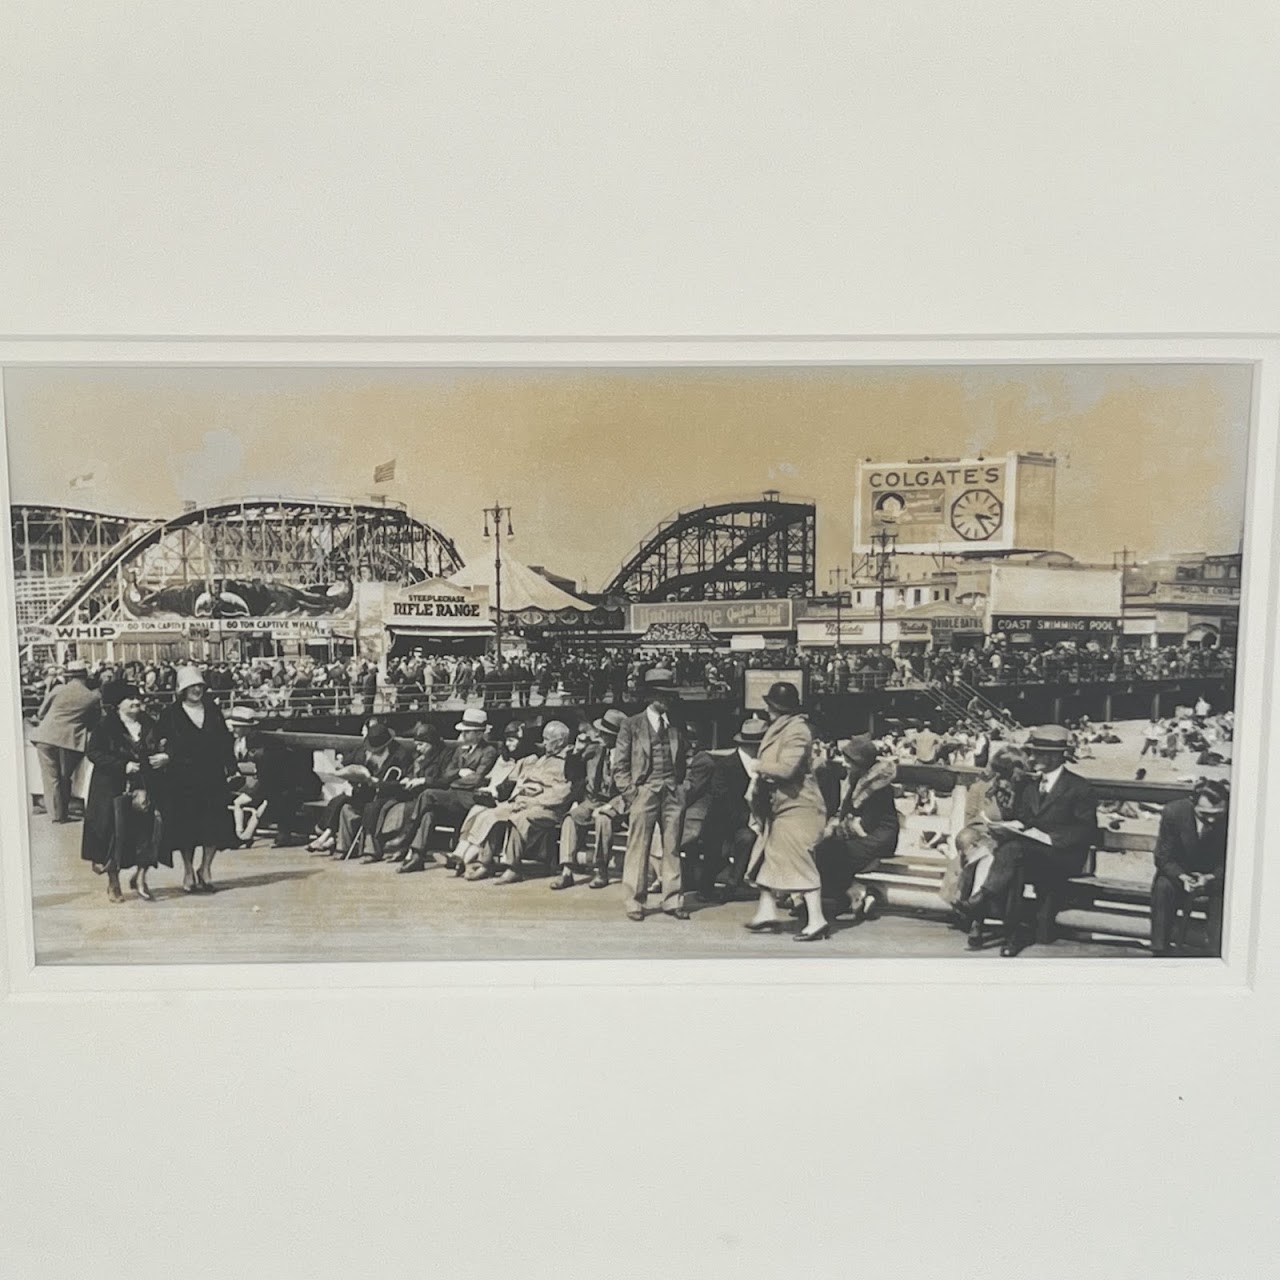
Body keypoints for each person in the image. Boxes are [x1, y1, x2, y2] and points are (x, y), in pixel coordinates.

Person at [953, 724, 1099, 957]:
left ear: (1055, 757)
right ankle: (1012, 934)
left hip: (1063, 856)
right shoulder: (1029, 785)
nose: (1032, 758)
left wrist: (1049, 838)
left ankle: (983, 899)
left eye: (1038, 753)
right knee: (1014, 855)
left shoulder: (1079, 787)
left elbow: (1086, 831)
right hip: (1028, 853)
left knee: (1014, 852)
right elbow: (1023, 818)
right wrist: (1012, 827)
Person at [743, 681, 831, 941]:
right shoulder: (783, 728)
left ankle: (817, 920)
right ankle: (766, 911)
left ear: (778, 707)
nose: (767, 709)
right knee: (768, 857)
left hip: (798, 806)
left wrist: (757, 766)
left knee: (799, 861)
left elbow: (787, 769)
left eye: (770, 705)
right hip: (782, 806)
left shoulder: (797, 731)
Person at [612, 668, 690, 922]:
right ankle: (635, 900)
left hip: (672, 791)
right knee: (638, 847)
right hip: (644, 791)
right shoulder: (631, 724)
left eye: (668, 695)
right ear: (650, 697)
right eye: (661, 696)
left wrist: (683, 785)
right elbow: (620, 766)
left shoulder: (677, 723)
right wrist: (631, 794)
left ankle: (673, 899)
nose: (666, 700)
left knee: (672, 847)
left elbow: (686, 756)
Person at [81, 681, 170, 902]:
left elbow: (168, 745)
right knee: (116, 836)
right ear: (118, 704)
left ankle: (140, 878)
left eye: (138, 697)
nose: (136, 702)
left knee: (148, 833)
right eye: (130, 698)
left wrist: (166, 757)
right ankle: (113, 883)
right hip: (112, 788)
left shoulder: (151, 723)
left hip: (146, 786)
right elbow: (93, 752)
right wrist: (122, 766)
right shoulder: (105, 726)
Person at [157, 665, 237, 893]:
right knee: (187, 828)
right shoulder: (170, 713)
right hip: (182, 779)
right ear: (182, 689)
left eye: (199, 686)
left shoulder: (212, 710)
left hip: (211, 776)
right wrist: (166, 756)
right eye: (191, 686)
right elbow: (159, 740)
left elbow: (224, 740)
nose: (196, 690)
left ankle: (206, 868)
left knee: (213, 825)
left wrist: (231, 767)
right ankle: (188, 870)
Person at [811, 736, 899, 925]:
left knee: (832, 852)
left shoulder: (879, 787)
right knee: (825, 849)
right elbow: (846, 814)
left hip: (879, 836)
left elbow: (867, 823)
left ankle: (854, 893)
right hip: (861, 833)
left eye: (848, 760)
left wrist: (836, 831)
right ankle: (852, 894)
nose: (844, 764)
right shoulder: (856, 779)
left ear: (861, 763)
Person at [679, 716, 762, 903]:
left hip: (743, 822)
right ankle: (706, 887)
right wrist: (747, 818)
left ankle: (734, 884)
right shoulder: (726, 766)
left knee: (748, 838)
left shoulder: (759, 766)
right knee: (717, 853)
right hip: (720, 822)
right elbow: (722, 799)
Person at [402, 708, 500, 861]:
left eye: (467, 732)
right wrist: (460, 772)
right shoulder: (459, 750)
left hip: (469, 798)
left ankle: (406, 836)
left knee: (428, 794)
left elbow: (477, 779)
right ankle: (416, 855)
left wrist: (455, 780)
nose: (463, 735)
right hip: (453, 796)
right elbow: (447, 774)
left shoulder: (489, 751)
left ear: (479, 734)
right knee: (429, 814)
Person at [488, 721, 577, 884]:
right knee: (494, 813)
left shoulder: (569, 761)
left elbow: (562, 794)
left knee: (519, 818)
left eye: (547, 739)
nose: (543, 743)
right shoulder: (542, 759)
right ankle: (485, 862)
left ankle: (513, 868)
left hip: (550, 809)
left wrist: (532, 803)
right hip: (528, 803)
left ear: (560, 741)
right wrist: (520, 799)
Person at [550, 709, 628, 891]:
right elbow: (572, 774)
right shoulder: (595, 750)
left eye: (605, 734)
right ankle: (567, 871)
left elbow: (631, 788)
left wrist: (610, 806)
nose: (600, 735)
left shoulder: (628, 755)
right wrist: (576, 752)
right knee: (571, 818)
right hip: (594, 800)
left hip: (619, 803)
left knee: (603, 819)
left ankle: (601, 870)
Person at [1150, 779, 1229, 956]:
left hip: (1215, 877)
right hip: (1182, 873)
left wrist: (1211, 877)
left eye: (1217, 814)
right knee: (1163, 886)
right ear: (1193, 804)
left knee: (1226, 895)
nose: (1210, 819)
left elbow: (1235, 859)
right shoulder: (1174, 812)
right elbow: (1163, 857)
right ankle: (1159, 949)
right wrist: (1182, 876)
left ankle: (1216, 952)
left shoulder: (1233, 816)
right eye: (1205, 813)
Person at [30, 659, 101, 823]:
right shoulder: (92, 697)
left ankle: (57, 815)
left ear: (69, 676)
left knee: (51, 778)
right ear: (86, 676)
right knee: (65, 776)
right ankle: (64, 810)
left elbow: (41, 713)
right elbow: (94, 722)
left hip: (45, 736)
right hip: (71, 740)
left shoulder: (58, 689)